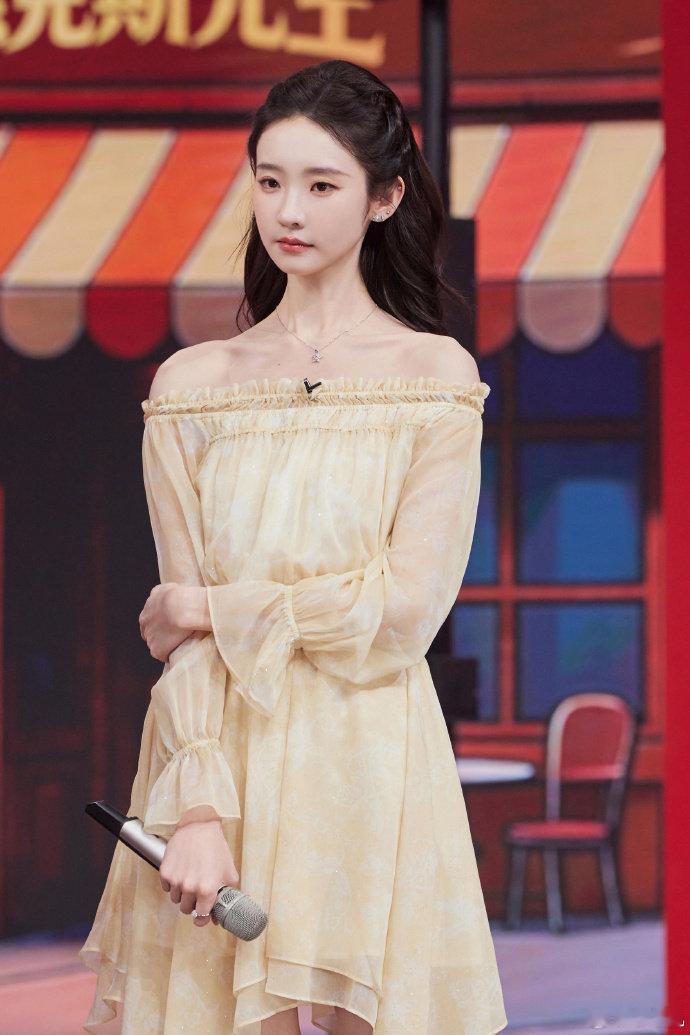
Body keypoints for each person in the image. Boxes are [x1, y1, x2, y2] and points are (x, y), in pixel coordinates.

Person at [78, 59, 508, 1035]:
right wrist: (197, 812)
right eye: (271, 180)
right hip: (218, 759)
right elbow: (184, 645)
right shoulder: (191, 386)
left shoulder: (434, 378)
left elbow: (405, 613)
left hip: (372, 758)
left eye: (321, 184)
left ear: (383, 197)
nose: (289, 210)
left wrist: (215, 606)